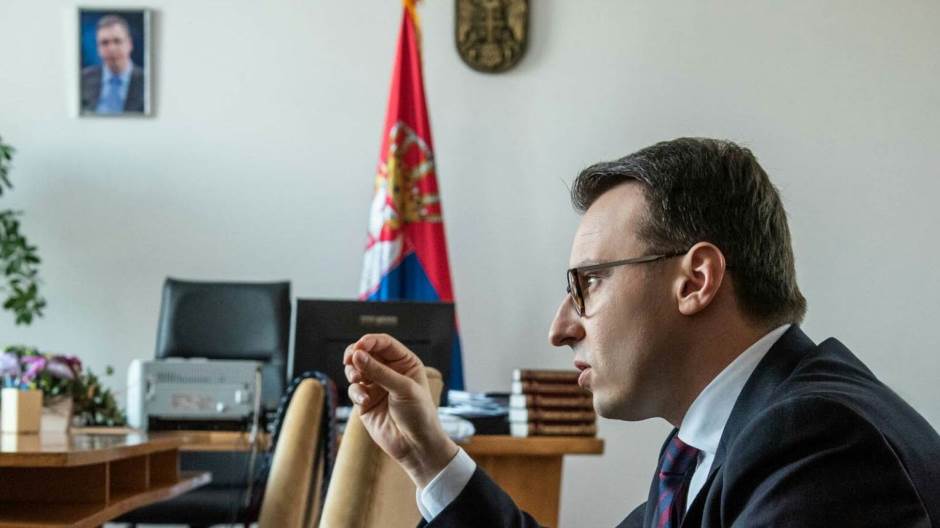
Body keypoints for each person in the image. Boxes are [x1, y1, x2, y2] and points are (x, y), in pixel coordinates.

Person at [343, 138, 940, 527]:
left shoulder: (817, 440)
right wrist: (428, 454)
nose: (560, 328)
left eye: (589, 282)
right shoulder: (717, 440)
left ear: (695, 280)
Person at [80, 15, 145, 114]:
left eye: (117, 41)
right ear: (98, 48)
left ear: (129, 44)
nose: (111, 49)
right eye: (104, 43)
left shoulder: (147, 82)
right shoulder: (83, 80)